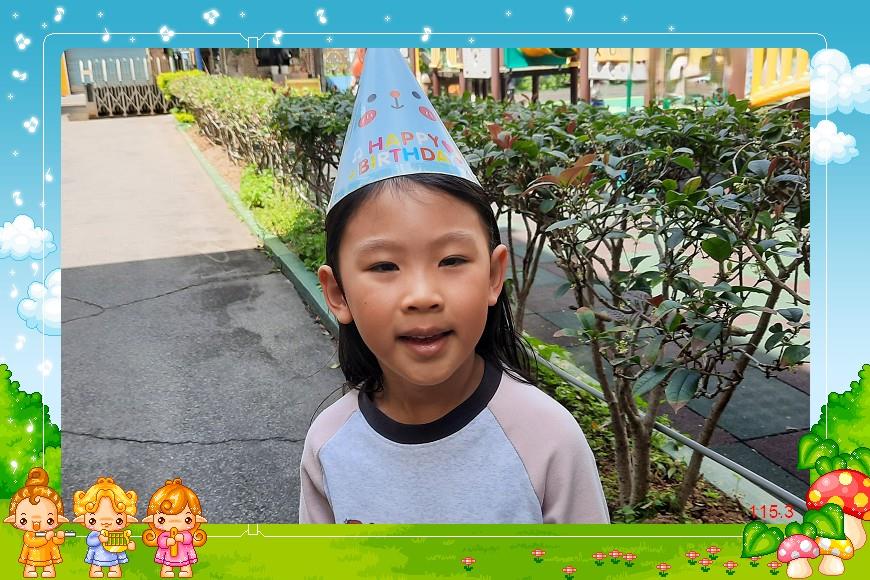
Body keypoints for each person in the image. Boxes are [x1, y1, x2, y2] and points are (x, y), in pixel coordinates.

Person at [298, 48, 609, 524]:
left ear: (493, 275)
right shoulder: (328, 446)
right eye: (384, 265)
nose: (423, 295)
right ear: (338, 293)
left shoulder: (548, 440)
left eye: (452, 260)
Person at [4, 467, 68, 578]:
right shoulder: (29, 535)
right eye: (24, 520)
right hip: (32, 555)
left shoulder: (49, 532)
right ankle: (29, 570)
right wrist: (46, 538)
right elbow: (31, 542)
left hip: (47, 555)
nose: (36, 523)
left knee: (48, 566)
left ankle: (48, 570)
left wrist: (60, 537)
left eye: (49, 520)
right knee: (30, 565)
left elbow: (56, 541)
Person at [72, 477, 138, 578]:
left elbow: (123, 543)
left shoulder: (118, 535)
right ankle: (96, 571)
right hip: (98, 555)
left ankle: (115, 571)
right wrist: (99, 539)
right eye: (93, 520)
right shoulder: (95, 534)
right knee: (96, 564)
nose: (106, 523)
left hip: (113, 555)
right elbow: (90, 541)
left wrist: (129, 545)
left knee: (115, 564)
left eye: (118, 520)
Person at [141, 479, 207, 578]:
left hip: (183, 552)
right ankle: (167, 570)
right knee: (167, 563)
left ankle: (186, 570)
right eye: (162, 520)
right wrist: (167, 541)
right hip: (168, 553)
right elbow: (161, 541)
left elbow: (188, 538)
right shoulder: (164, 535)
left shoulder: (185, 533)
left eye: (187, 519)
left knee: (185, 562)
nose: (174, 522)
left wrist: (182, 538)